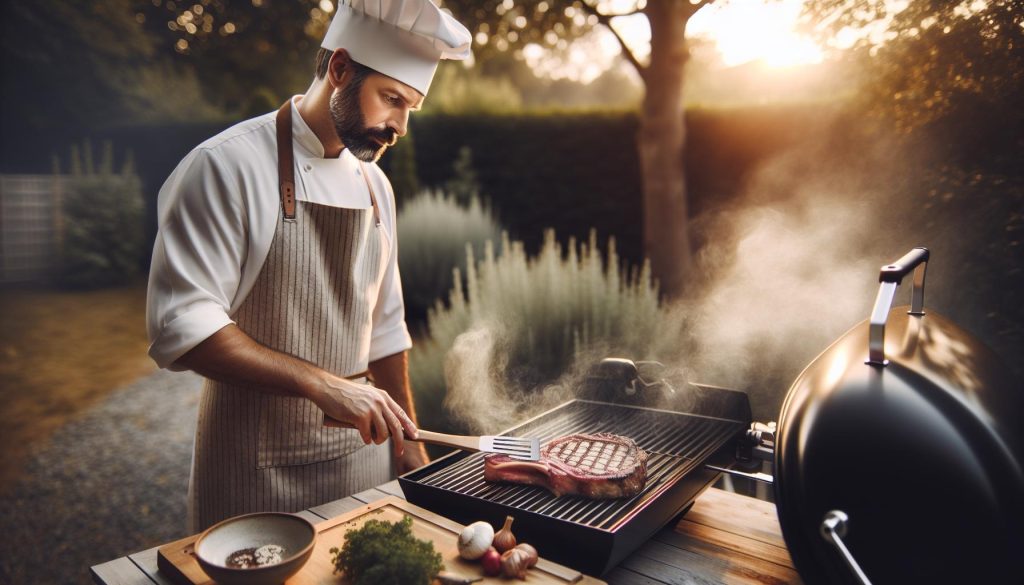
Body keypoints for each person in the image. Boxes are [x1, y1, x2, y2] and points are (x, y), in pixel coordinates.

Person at [145, 0, 471, 532]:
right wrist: (324, 384)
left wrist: (410, 447)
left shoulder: (375, 187)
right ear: (339, 68)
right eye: (392, 99)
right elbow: (183, 327)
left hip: (366, 470)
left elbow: (386, 329)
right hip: (254, 475)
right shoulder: (225, 166)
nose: (401, 127)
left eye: (411, 106)